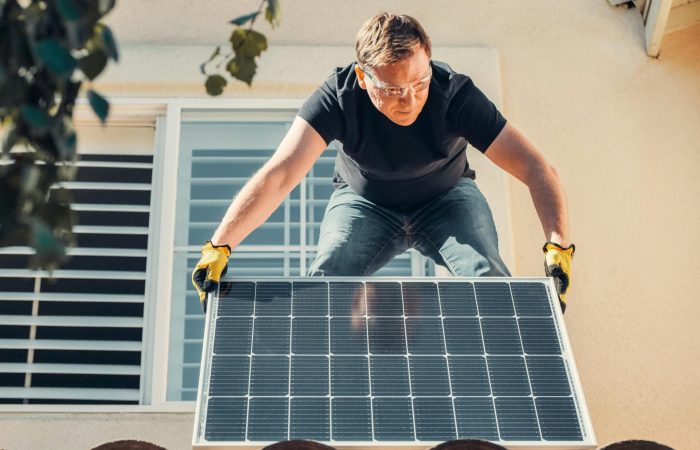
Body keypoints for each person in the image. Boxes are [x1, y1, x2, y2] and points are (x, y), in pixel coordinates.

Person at [192, 12, 575, 313]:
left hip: (447, 199)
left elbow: (535, 168)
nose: (409, 99)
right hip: (363, 203)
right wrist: (220, 246)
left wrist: (558, 246)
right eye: (392, 89)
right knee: (326, 283)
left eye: (419, 83)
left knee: (488, 278)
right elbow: (280, 175)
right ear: (362, 77)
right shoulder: (339, 97)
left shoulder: (456, 95)